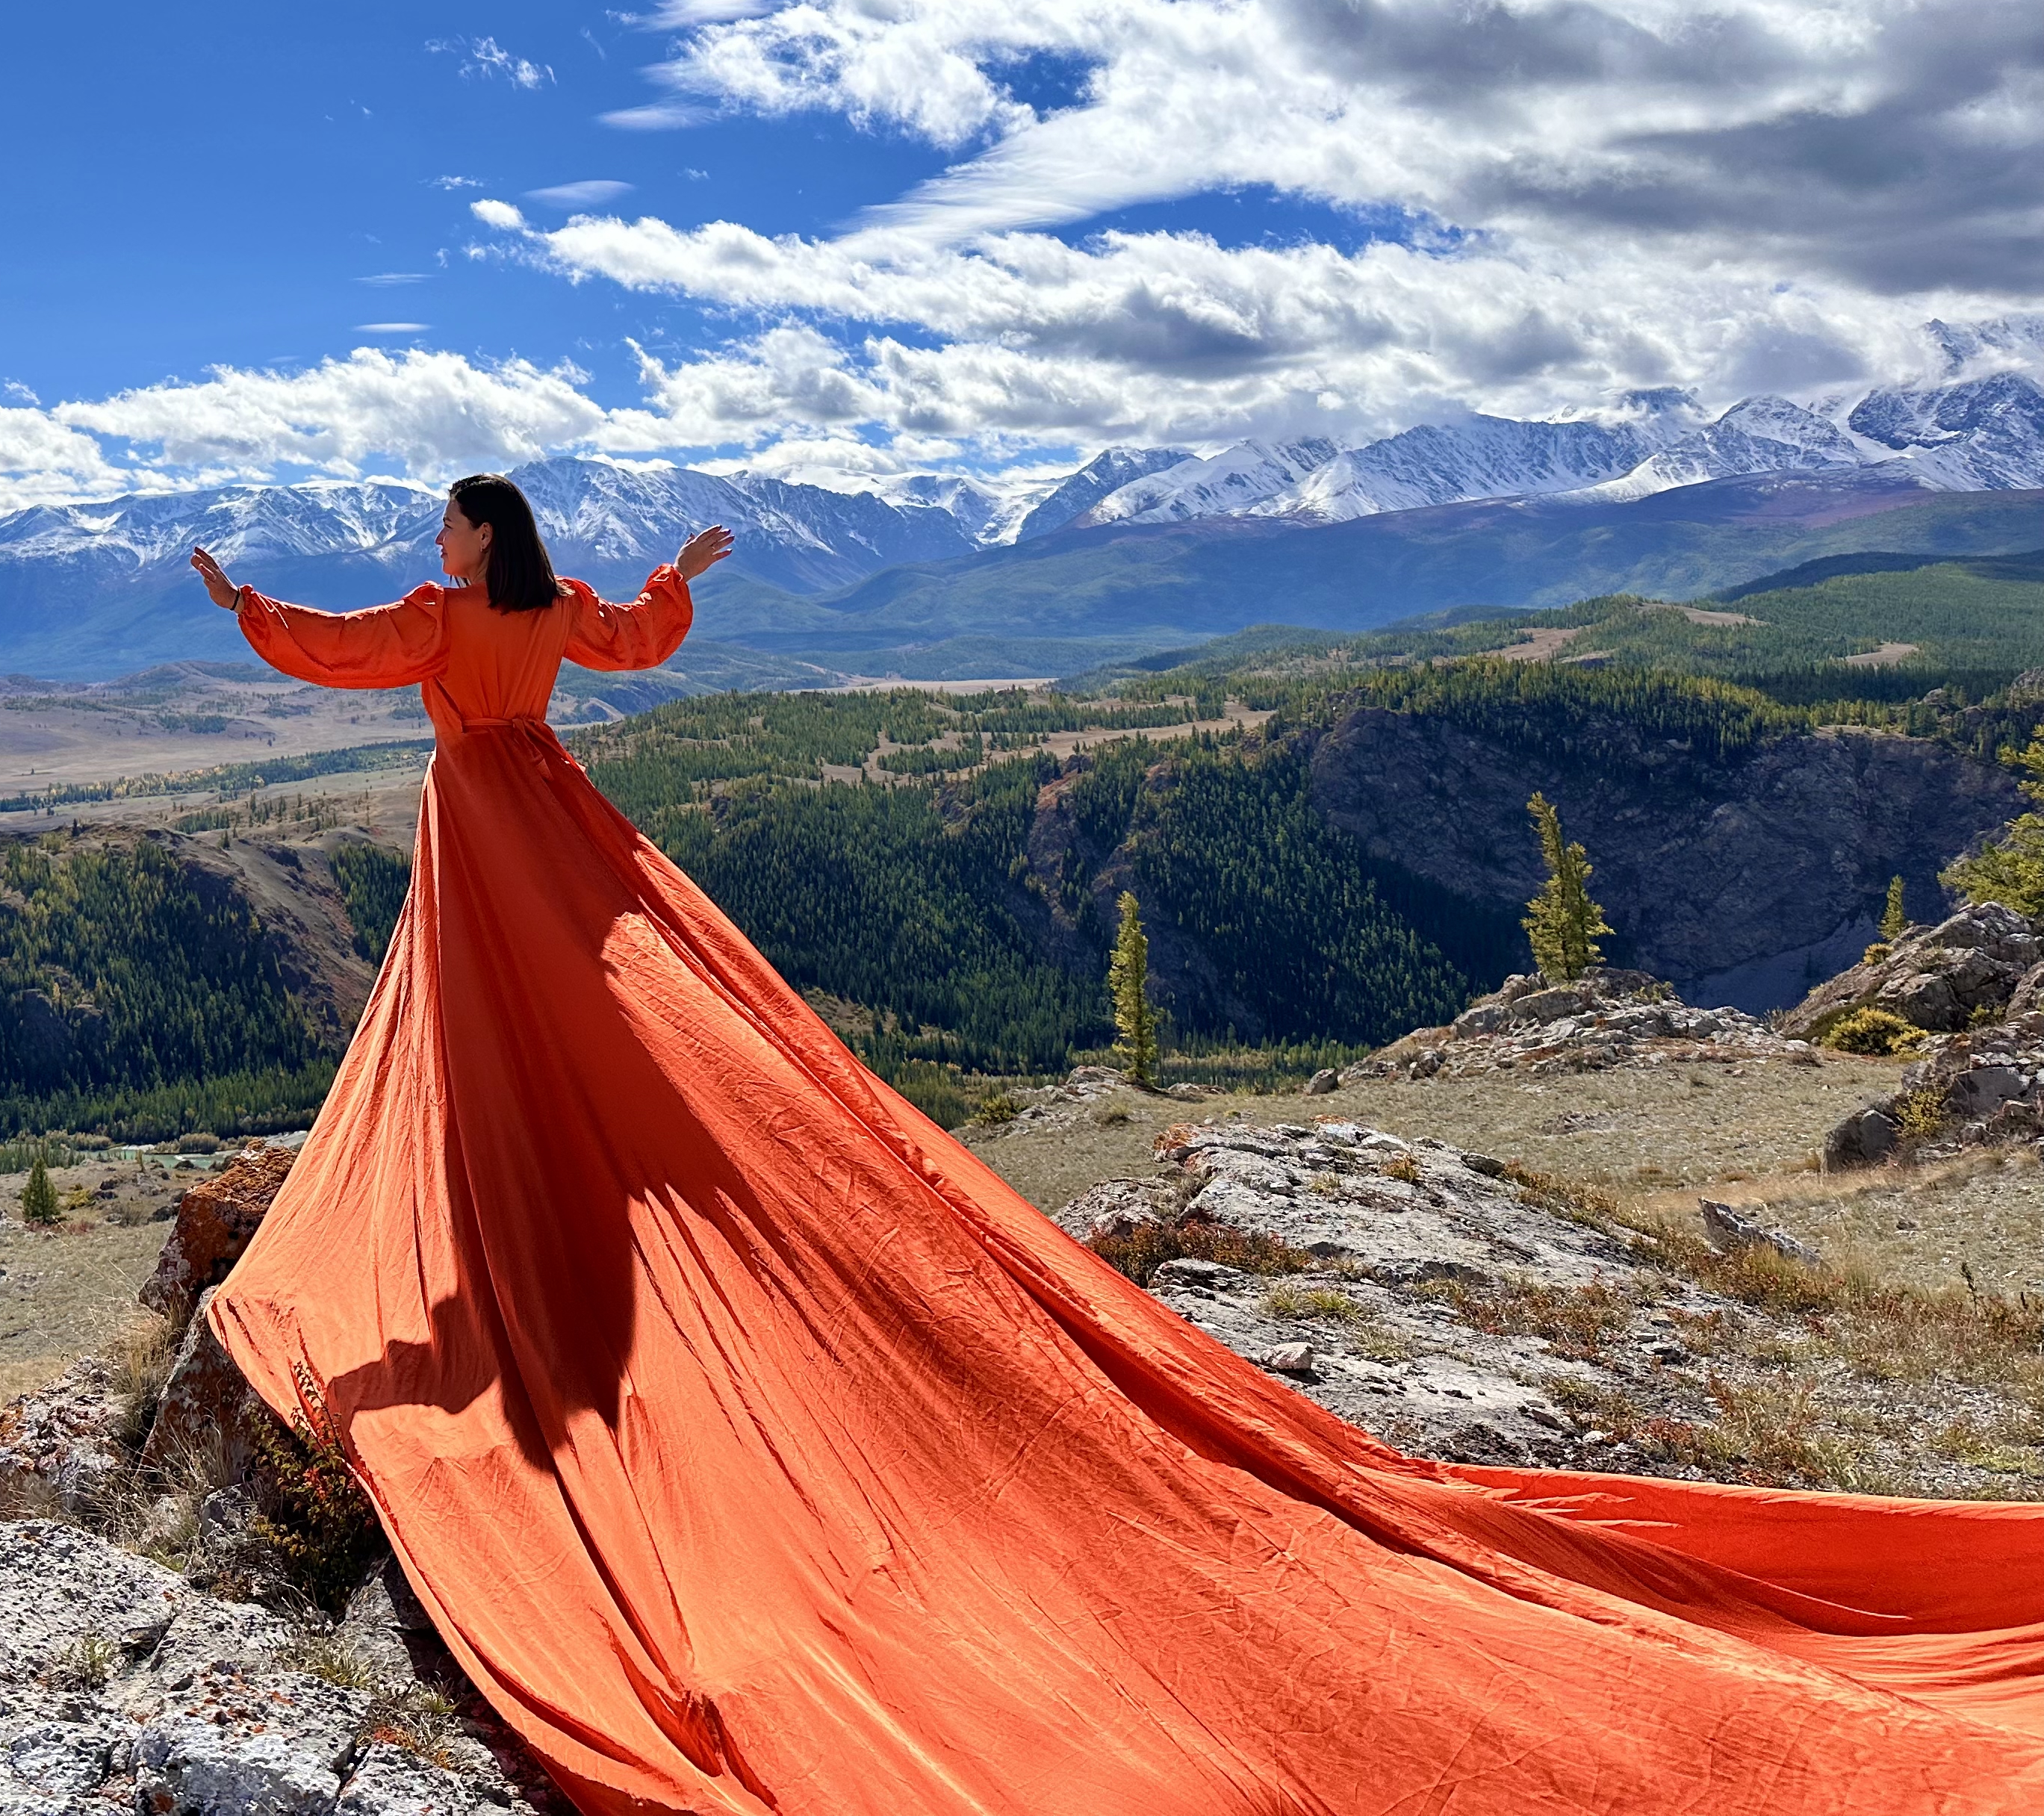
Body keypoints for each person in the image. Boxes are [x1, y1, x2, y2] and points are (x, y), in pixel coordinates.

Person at [188, 473, 2044, 1816]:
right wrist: (677, 573)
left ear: (463, 538)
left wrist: (236, 605)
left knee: (499, 1006)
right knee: (606, 996)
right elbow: (633, 636)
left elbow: (337, 655)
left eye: (442, 527)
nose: (433, 551)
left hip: (477, 815)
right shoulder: (547, 600)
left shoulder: (439, 626)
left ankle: (508, 1165)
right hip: (557, 809)